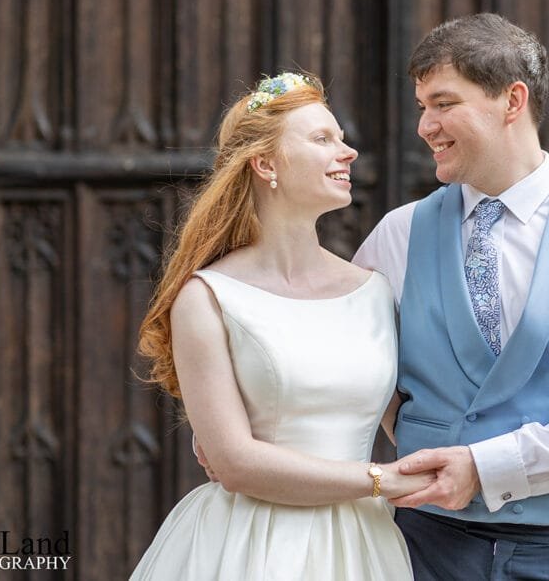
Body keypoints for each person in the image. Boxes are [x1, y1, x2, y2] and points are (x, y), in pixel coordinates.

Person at [351, 13, 549, 580]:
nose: (425, 126)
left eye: (444, 103)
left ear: (512, 99)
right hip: (417, 552)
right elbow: (349, 373)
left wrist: (485, 466)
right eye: (422, 106)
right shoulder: (396, 236)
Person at [131, 72, 430, 580]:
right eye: (322, 139)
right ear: (266, 163)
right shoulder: (207, 298)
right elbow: (233, 461)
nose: (349, 151)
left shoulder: (376, 290)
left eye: (340, 136)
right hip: (252, 545)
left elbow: (414, 420)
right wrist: (379, 479)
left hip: (361, 545)